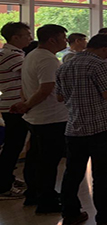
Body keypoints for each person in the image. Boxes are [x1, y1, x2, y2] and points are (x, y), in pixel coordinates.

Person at [56, 34, 107, 225]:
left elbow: (59, 97)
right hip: (100, 127)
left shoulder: (65, 66)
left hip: (74, 127)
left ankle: (70, 213)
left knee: (73, 173)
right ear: (104, 48)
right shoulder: (99, 65)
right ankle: (106, 215)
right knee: (101, 175)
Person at [11, 24, 68, 214]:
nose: (65, 41)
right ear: (52, 40)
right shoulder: (47, 59)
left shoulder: (31, 55)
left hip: (36, 117)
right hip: (50, 117)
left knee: (35, 158)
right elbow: (46, 89)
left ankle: (34, 194)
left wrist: (26, 104)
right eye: (63, 38)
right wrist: (27, 105)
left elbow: (25, 86)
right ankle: (46, 201)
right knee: (48, 162)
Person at [0, 22, 32, 200]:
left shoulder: (9, 54)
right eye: (27, 35)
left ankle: (7, 178)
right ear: (15, 37)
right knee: (13, 147)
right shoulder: (12, 56)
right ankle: (3, 186)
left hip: (11, 105)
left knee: (12, 146)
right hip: (15, 106)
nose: (30, 38)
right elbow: (31, 75)